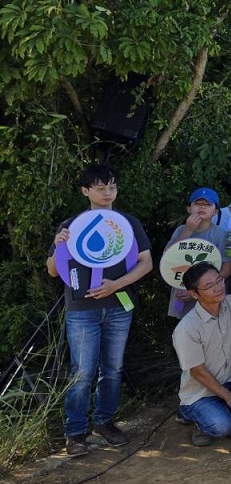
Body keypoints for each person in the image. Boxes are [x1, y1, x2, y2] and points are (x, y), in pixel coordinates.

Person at [47, 163, 153, 457]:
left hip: (118, 306)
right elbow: (53, 271)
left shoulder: (128, 223)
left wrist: (116, 285)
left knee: (113, 369)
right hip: (81, 309)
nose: (108, 193)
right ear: (85, 191)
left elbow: (146, 263)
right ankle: (75, 432)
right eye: (101, 188)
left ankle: (104, 422)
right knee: (82, 372)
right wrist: (58, 246)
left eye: (112, 187)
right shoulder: (71, 224)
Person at [172, 262, 231, 447]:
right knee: (221, 426)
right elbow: (198, 372)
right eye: (209, 286)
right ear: (194, 294)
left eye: (219, 280)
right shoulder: (187, 329)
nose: (217, 288)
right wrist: (228, 397)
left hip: (230, 378)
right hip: (200, 392)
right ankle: (193, 416)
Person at [163, 187, 231, 319]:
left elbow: (228, 267)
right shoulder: (181, 230)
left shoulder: (219, 234)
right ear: (189, 208)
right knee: (182, 326)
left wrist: (200, 290)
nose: (202, 207)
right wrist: (188, 230)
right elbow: (167, 257)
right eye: (197, 203)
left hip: (210, 295)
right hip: (181, 292)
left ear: (215, 211)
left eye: (208, 204)